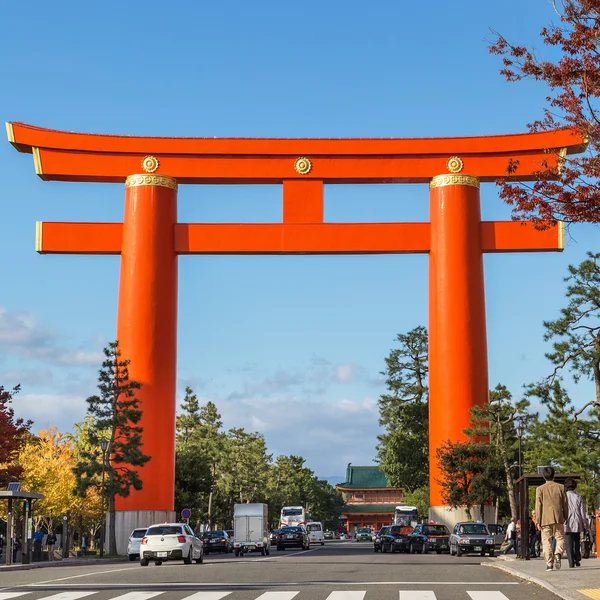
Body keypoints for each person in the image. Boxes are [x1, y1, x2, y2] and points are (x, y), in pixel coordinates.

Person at [535, 466, 569, 571]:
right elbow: (565, 504)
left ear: (544, 477)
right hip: (558, 517)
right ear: (554, 475)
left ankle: (549, 564)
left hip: (545, 518)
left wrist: (538, 520)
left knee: (546, 541)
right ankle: (558, 552)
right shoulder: (561, 487)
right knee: (560, 538)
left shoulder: (540, 489)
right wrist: (566, 516)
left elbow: (538, 506)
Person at [564, 478, 588, 568]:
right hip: (577, 521)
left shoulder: (564, 497)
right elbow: (582, 512)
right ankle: (577, 557)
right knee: (577, 541)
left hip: (567, 521)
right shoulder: (578, 497)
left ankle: (571, 562)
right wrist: (585, 524)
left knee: (569, 543)